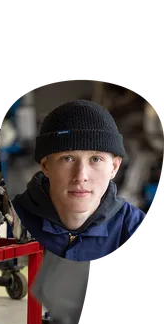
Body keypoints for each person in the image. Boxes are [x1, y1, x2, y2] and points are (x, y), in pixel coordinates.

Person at [12, 100, 148, 261]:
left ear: (114, 167)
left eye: (96, 159)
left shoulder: (135, 227)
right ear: (45, 165)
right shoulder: (9, 221)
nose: (81, 176)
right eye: (67, 158)